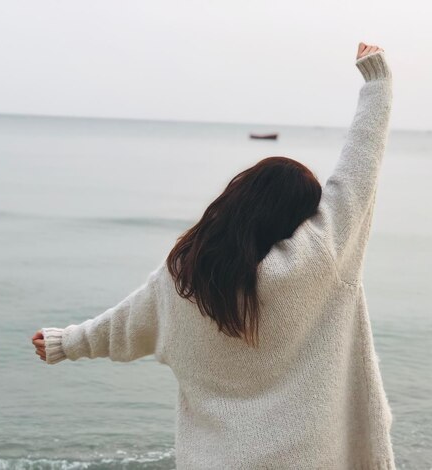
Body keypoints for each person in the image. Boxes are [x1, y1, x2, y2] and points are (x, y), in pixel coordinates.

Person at [32, 41, 395, 469]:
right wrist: (378, 82)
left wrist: (64, 343)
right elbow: (358, 172)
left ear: (237, 199)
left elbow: (122, 326)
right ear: (299, 218)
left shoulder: (184, 281)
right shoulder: (316, 262)